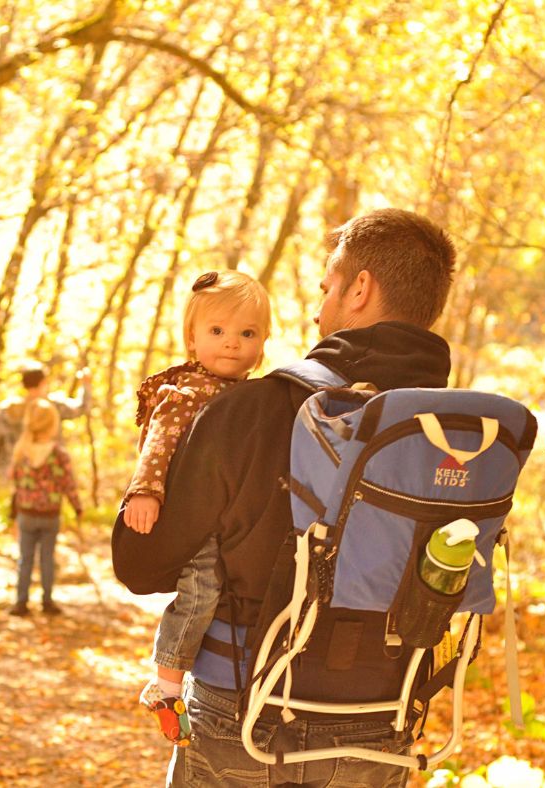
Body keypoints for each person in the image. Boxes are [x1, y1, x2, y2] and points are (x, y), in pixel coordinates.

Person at [112, 208, 457, 787]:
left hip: (244, 714)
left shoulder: (255, 408)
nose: (318, 310)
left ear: (360, 289)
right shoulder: (455, 432)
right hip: (384, 718)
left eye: (326, 289)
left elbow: (140, 563)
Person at [123, 270, 271, 745]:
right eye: (217, 332)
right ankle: (165, 684)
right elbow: (157, 446)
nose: (232, 344)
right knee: (201, 587)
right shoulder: (185, 393)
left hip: (233, 517)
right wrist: (145, 492)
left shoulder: (254, 396)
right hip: (192, 516)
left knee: (230, 590)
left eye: (246, 334)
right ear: (192, 338)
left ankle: (206, 679)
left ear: (263, 343)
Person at [9, 398, 83, 616]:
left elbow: (15, 483)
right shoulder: (59, 454)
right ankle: (47, 602)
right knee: (47, 558)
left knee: (25, 558)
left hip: (26, 514)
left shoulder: (21, 451)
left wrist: (13, 512)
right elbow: (68, 484)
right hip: (50, 515)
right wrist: (77, 507)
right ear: (53, 425)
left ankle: (21, 603)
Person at [0, 361, 92, 480]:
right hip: (48, 474)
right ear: (43, 382)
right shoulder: (53, 406)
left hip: (12, 474)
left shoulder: (7, 409)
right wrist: (86, 384)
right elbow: (82, 408)